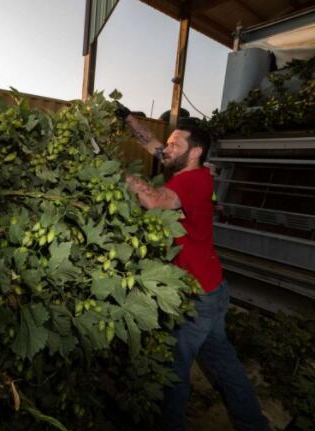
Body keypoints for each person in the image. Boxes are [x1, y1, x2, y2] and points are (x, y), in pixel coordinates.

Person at [114, 103, 270, 431]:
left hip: (196, 297)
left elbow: (154, 201)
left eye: (175, 145)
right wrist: (127, 117)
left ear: (196, 151)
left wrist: (114, 171)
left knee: (173, 371)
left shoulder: (193, 182)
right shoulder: (189, 170)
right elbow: (154, 146)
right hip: (212, 288)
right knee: (223, 363)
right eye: (167, 143)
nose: (166, 149)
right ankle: (254, 424)